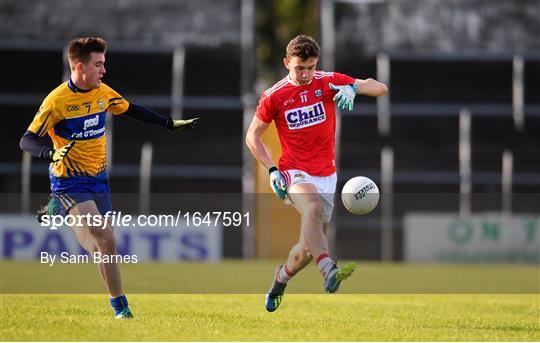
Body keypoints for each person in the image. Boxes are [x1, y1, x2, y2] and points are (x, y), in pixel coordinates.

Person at [19, 37, 199, 319]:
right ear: (80, 67)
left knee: (102, 246)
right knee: (106, 239)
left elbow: (132, 109)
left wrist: (168, 124)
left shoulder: (102, 92)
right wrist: (49, 154)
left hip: (98, 179)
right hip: (69, 181)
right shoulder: (56, 101)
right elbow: (27, 140)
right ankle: (121, 309)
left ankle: (58, 209)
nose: (104, 70)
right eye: (99, 64)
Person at [245, 34, 387, 312]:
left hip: (326, 175)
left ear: (316, 63)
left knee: (307, 249)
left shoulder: (327, 81)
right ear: (287, 63)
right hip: (293, 172)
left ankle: (280, 279)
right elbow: (253, 136)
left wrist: (354, 89)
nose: (306, 74)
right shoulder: (274, 96)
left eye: (310, 67)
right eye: (299, 68)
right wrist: (272, 170)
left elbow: (380, 88)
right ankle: (329, 270)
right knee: (311, 208)